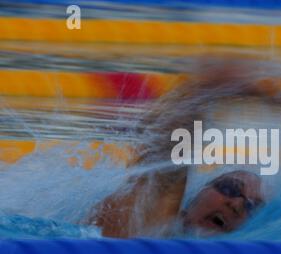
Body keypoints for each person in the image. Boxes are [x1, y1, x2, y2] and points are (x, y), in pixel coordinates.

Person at [86, 59, 268, 238]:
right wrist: (204, 91)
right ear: (197, 196)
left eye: (250, 206)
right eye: (230, 189)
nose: (235, 204)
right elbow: (166, 159)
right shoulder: (146, 217)